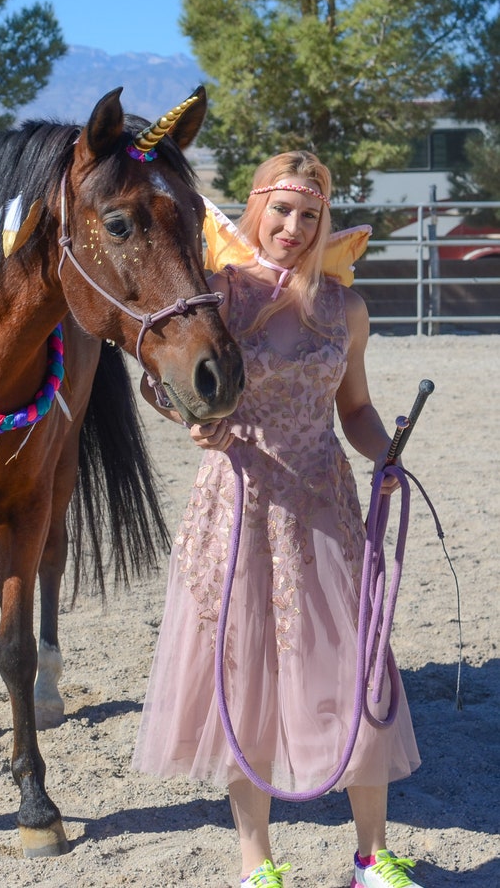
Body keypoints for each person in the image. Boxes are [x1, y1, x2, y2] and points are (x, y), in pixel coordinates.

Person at [132, 151, 424, 888]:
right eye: (282, 209)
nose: (294, 227)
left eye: (310, 214)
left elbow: (353, 408)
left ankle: (371, 856)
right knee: (244, 681)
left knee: (355, 674)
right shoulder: (217, 296)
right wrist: (192, 420)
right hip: (237, 503)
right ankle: (258, 863)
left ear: (324, 220)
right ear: (258, 208)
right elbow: (161, 379)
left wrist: (389, 455)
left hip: (325, 505)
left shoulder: (345, 310)